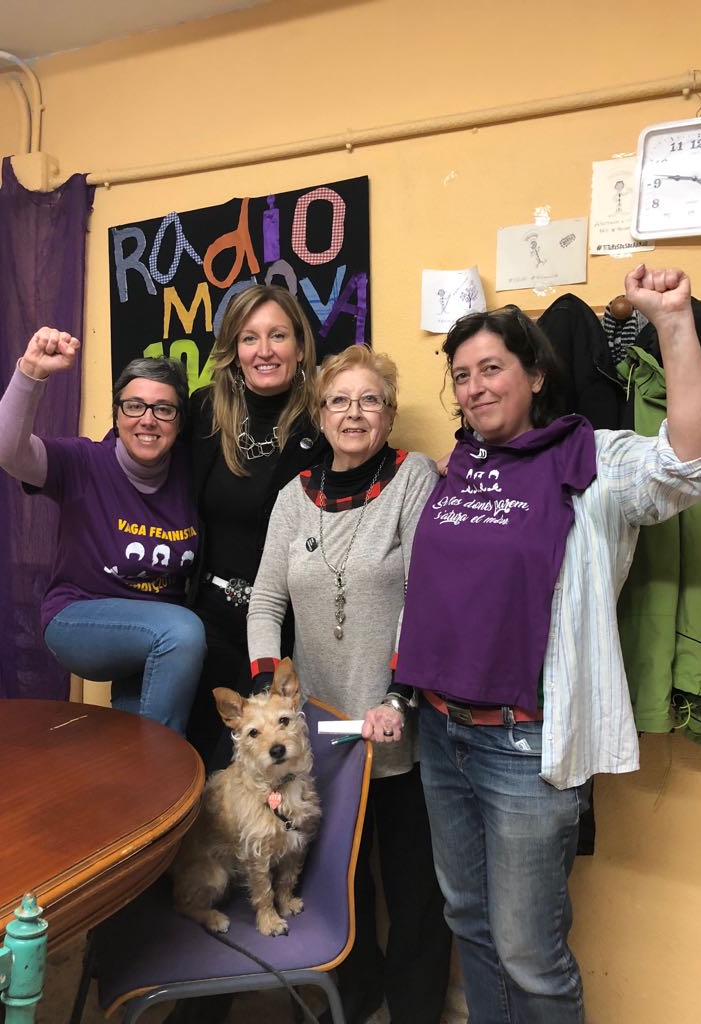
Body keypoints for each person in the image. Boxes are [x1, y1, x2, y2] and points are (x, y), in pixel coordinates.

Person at [394, 266, 701, 1024]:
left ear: (536, 375)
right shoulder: (460, 465)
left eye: (491, 369)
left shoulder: (591, 461)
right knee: (467, 920)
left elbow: (696, 462)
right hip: (443, 732)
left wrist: (674, 323)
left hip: (524, 745)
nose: (474, 388)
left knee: (529, 954)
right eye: (462, 376)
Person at [247, 345, 452, 1024]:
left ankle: (416, 1010)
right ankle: (354, 999)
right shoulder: (293, 498)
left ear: (389, 414)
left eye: (370, 400)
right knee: (341, 879)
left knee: (415, 888)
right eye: (339, 400)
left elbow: (426, 594)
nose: (354, 413)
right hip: (322, 735)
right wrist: (268, 695)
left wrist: (398, 696)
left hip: (398, 723)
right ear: (320, 414)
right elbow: (266, 601)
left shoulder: (412, 478)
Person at [0, 327, 206, 734]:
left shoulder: (191, 474)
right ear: (117, 414)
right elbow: (7, 451)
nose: (148, 419)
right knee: (184, 632)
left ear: (179, 423)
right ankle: (165, 766)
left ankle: (144, 769)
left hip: (157, 638)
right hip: (79, 617)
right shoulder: (84, 463)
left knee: (131, 735)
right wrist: (31, 372)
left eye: (164, 409)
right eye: (134, 406)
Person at [186, 284, 327, 771]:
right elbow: (138, 453)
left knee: (280, 774)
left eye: (278, 336)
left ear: (300, 347)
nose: (264, 350)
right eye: (249, 338)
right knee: (204, 767)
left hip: (287, 627)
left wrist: (448, 463)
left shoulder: (324, 421)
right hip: (209, 621)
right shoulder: (205, 412)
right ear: (234, 351)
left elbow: (372, 458)